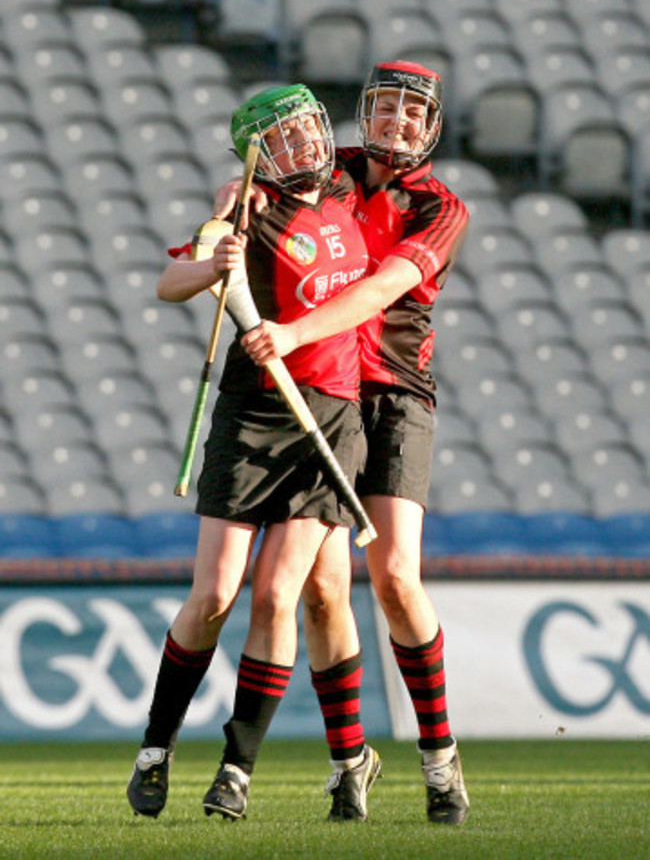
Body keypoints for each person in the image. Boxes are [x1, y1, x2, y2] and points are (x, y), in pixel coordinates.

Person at [214, 61, 470, 825]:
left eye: (411, 114)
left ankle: (440, 756)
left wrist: (291, 331)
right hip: (323, 396)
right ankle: (351, 763)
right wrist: (234, 198)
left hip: (394, 395)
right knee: (323, 589)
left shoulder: (444, 207)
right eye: (384, 109)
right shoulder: (335, 172)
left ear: (431, 128)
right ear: (363, 113)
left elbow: (379, 289)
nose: (395, 124)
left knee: (392, 576)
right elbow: (255, 191)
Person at [126, 84, 381, 823]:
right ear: (259, 154)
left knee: (281, 594)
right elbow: (170, 281)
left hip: (329, 417)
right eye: (286, 138)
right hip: (251, 417)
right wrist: (215, 264)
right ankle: (155, 748)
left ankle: (236, 769)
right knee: (213, 597)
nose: (305, 145)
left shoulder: (350, 188)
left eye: (308, 130)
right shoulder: (244, 210)